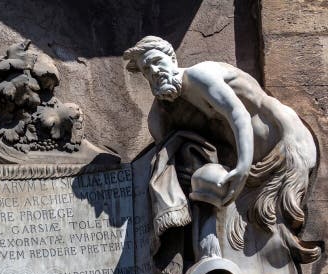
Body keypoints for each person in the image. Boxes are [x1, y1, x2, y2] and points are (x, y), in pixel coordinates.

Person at [124, 35, 317, 261]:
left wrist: (243, 168)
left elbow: (238, 114)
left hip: (284, 150)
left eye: (156, 61)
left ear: (172, 58)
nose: (154, 71)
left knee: (278, 230)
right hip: (243, 167)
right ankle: (209, 262)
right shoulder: (161, 113)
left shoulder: (199, 75)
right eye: (146, 69)